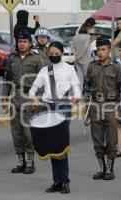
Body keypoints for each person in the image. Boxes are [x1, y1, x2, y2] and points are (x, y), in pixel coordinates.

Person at [29, 41, 81, 194]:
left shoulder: (69, 69)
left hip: (63, 106)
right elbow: (33, 89)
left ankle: (65, 181)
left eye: (56, 54)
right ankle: (56, 181)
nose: (53, 56)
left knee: (61, 144)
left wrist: (76, 97)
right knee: (52, 145)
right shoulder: (45, 70)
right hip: (48, 106)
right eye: (50, 54)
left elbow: (76, 87)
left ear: (61, 54)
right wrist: (34, 98)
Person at [83, 37, 121, 180]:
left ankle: (109, 168)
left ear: (109, 50)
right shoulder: (91, 66)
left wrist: (119, 108)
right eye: (98, 50)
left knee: (111, 139)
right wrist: (87, 108)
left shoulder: (116, 67)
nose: (100, 53)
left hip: (110, 105)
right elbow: (86, 88)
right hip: (95, 105)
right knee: (97, 138)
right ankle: (101, 167)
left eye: (103, 50)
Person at [2, 31, 44, 175]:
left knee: (28, 132)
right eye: (20, 41)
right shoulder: (12, 58)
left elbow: (42, 81)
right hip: (15, 97)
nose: (22, 44)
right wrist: (4, 98)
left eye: (25, 41)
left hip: (29, 97)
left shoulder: (37, 59)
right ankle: (21, 161)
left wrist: (37, 98)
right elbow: (7, 80)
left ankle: (30, 162)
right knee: (16, 132)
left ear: (30, 43)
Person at [72, 22, 95, 91]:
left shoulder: (75, 36)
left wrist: (76, 55)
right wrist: (81, 56)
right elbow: (85, 47)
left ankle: (79, 91)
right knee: (87, 76)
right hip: (86, 59)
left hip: (77, 59)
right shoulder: (87, 36)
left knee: (79, 77)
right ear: (87, 29)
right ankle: (90, 91)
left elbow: (72, 46)